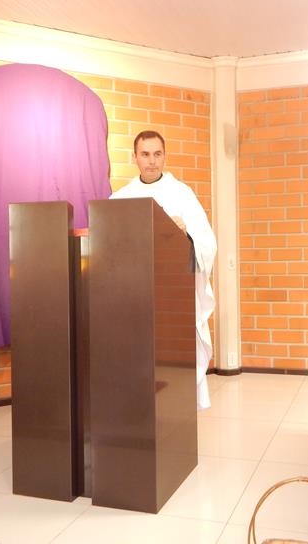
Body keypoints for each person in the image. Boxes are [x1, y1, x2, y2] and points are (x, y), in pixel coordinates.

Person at [111, 131, 217, 409]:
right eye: (145, 154)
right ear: (134, 157)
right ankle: (135, 409)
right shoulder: (121, 198)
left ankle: (177, 411)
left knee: (173, 365)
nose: (152, 161)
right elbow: (109, 247)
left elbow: (207, 243)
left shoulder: (182, 194)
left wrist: (184, 235)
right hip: (134, 296)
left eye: (157, 154)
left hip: (172, 296)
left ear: (165, 156)